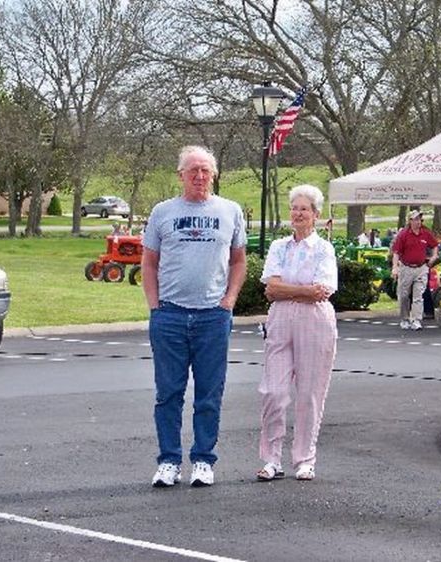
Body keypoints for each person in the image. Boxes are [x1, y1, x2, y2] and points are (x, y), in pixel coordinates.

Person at [141, 145, 247, 488]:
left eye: (205, 170)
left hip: (213, 317)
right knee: (168, 393)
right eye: (193, 171)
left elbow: (238, 261)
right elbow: (149, 263)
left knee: (209, 394)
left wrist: (229, 300)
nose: (199, 176)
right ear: (181, 175)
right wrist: (155, 306)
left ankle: (203, 459)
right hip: (170, 315)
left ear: (213, 174)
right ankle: (169, 462)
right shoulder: (162, 212)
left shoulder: (230, 211)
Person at [257, 184, 338, 482]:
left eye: (304, 209)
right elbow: (270, 288)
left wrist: (285, 290)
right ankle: (271, 459)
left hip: (315, 321)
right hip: (280, 319)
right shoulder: (279, 247)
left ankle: (305, 459)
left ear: (315, 214)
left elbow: (322, 291)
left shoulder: (323, 249)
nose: (298, 213)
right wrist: (301, 290)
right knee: (273, 391)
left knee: (309, 393)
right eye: (294, 208)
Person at [390, 209, 439, 330]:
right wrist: (395, 267)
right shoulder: (403, 234)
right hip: (406, 268)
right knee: (404, 295)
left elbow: (434, 245)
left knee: (419, 295)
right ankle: (405, 318)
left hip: (421, 268)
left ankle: (416, 319)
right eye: (416, 219)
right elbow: (396, 252)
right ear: (410, 221)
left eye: (420, 219)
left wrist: (434, 256)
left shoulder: (425, 233)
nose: (418, 222)